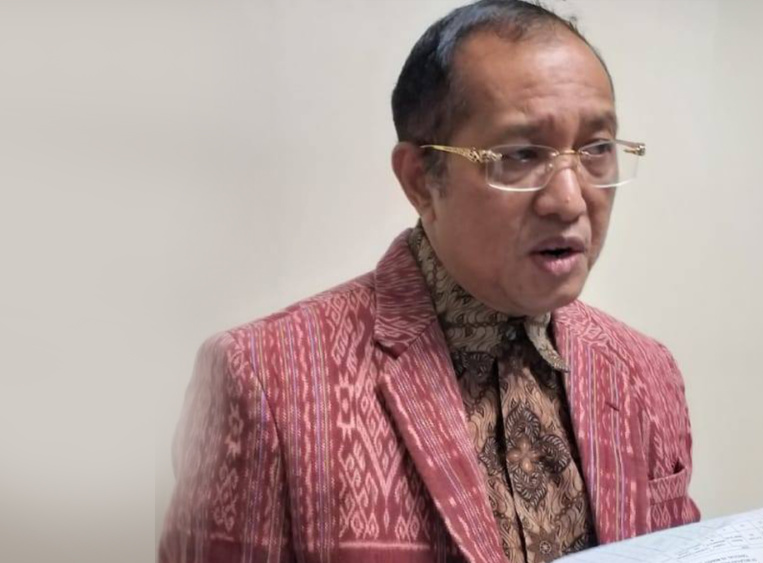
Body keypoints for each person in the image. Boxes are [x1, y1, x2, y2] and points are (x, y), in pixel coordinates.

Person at [158, 1, 699, 562]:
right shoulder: (265, 381)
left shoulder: (645, 372)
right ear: (421, 180)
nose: (570, 200)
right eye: (520, 155)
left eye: (597, 150)